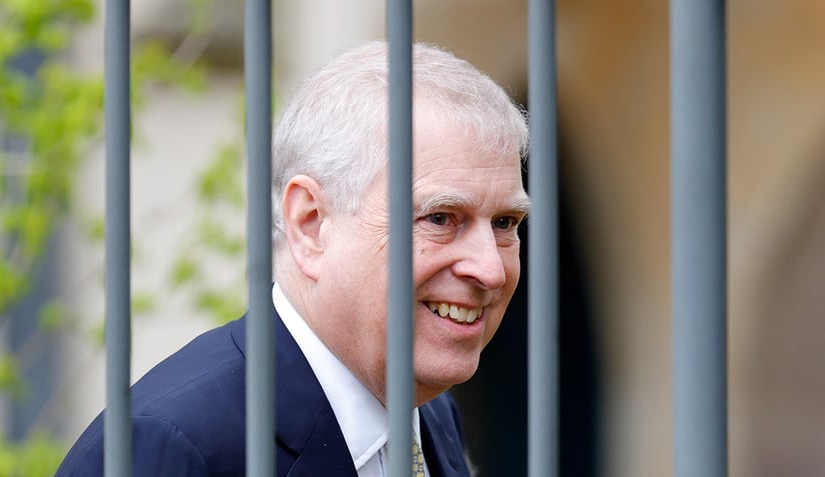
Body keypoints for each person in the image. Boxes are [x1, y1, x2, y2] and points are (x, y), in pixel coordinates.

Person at [56, 41, 530, 476]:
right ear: (310, 223)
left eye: (505, 223)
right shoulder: (171, 449)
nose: (489, 268)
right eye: (442, 218)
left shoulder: (428, 411)